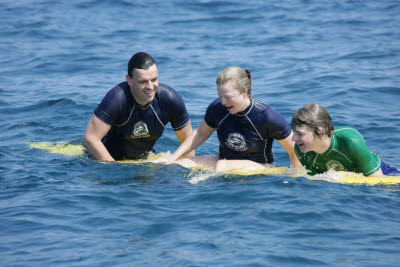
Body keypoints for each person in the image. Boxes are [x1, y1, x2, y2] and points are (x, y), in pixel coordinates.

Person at [155, 66, 301, 171]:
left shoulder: (266, 116)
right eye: (220, 96)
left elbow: (294, 149)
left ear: (244, 91)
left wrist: (295, 176)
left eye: (228, 97)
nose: (223, 102)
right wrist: (173, 157)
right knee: (176, 166)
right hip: (223, 161)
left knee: (222, 167)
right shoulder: (217, 108)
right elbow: (200, 134)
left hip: (260, 167)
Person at [82, 52, 194, 162]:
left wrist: (188, 176)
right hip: (106, 161)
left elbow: (187, 142)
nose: (150, 87)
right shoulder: (116, 99)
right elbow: (89, 139)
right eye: (143, 82)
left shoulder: (170, 100)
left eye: (154, 80)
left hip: (144, 161)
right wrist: (113, 167)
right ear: (129, 80)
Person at [291, 103, 400, 177]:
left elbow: (377, 180)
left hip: (385, 174)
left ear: (321, 131)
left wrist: (345, 175)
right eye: (294, 132)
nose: (293, 138)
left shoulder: (350, 139)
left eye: (300, 134)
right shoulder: (301, 150)